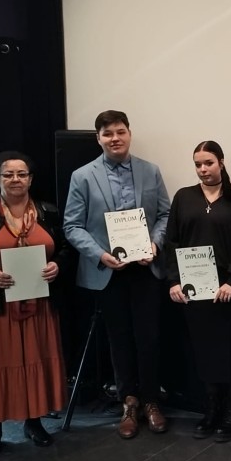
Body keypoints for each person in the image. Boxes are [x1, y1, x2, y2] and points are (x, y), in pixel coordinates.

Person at [63, 110, 171, 440]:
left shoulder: (150, 171)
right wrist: (101, 255)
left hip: (145, 269)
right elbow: (72, 225)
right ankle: (129, 403)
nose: (115, 138)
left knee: (149, 338)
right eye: (107, 133)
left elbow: (165, 214)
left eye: (120, 131)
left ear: (129, 133)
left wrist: (154, 244)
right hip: (107, 272)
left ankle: (151, 401)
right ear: (98, 138)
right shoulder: (82, 176)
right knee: (119, 339)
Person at [0, 152, 70, 461]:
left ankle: (33, 422)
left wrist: (58, 265)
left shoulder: (48, 212)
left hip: (39, 303)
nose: (15, 179)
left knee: (35, 359)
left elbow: (65, 249)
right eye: (8, 174)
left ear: (31, 179)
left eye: (22, 174)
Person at [165, 141, 231, 442]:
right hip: (193, 291)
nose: (203, 169)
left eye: (209, 163)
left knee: (230, 351)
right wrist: (174, 281)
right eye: (198, 164)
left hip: (226, 290)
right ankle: (211, 409)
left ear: (221, 163)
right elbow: (171, 241)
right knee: (203, 350)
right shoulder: (183, 197)